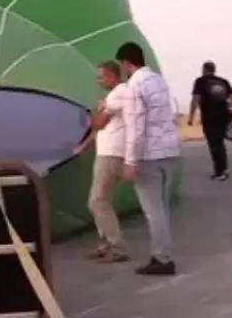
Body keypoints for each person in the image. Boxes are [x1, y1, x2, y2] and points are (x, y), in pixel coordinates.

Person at [116, 41, 181, 276]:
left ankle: (163, 259)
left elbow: (135, 126)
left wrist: (130, 160)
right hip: (168, 151)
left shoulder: (134, 85)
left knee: (153, 211)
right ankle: (162, 254)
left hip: (148, 155)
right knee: (161, 209)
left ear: (126, 63)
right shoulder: (158, 81)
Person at [72, 61, 131, 263]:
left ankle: (117, 247)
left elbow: (98, 123)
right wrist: (84, 146)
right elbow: (100, 130)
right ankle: (105, 244)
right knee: (99, 201)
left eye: (101, 77)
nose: (98, 81)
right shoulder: (113, 96)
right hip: (106, 153)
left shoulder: (118, 93)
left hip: (112, 155)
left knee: (97, 201)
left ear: (112, 76)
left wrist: (97, 111)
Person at [189, 61, 232, 181]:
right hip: (223, 116)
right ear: (214, 70)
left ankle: (221, 171)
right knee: (219, 142)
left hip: (209, 116)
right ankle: (221, 170)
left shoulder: (200, 81)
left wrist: (191, 117)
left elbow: (195, 99)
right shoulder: (223, 81)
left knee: (214, 144)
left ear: (204, 69)